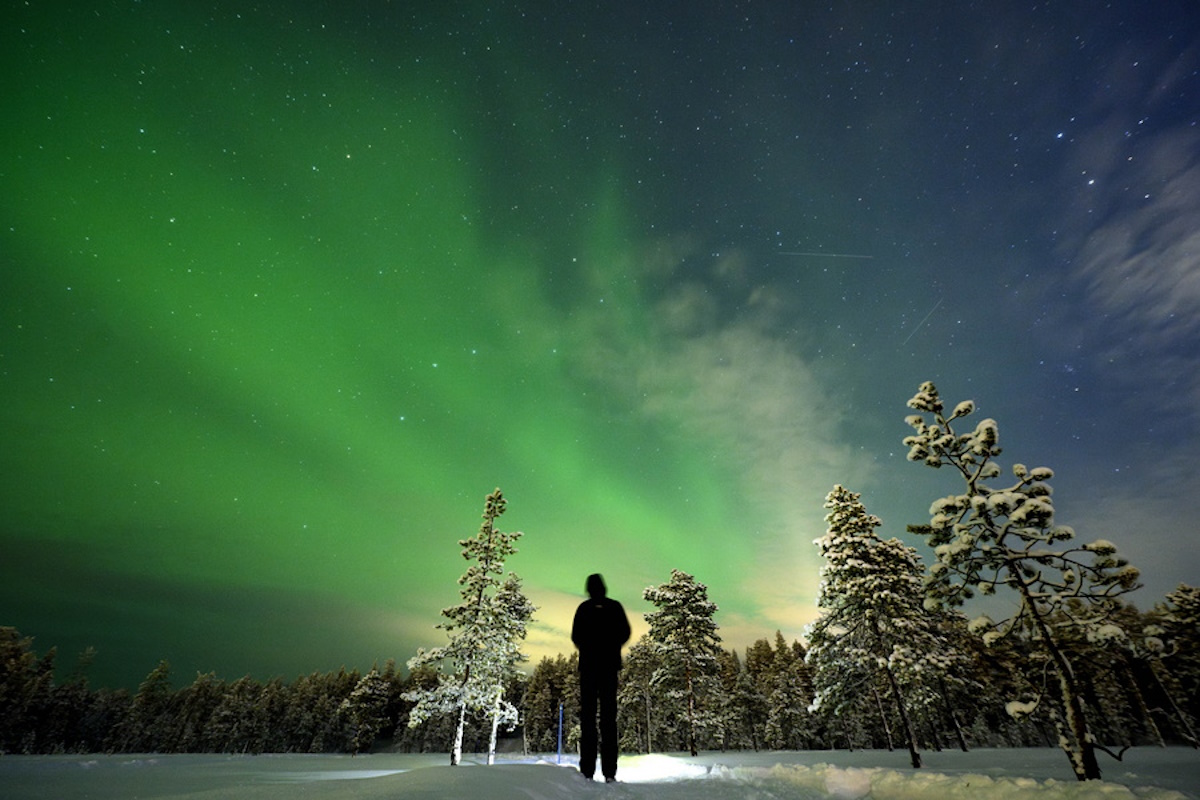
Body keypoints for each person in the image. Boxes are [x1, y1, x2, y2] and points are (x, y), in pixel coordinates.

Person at [571, 573, 631, 782]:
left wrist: (589, 648)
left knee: (588, 720)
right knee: (608, 721)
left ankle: (587, 771)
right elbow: (625, 632)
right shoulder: (614, 607)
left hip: (589, 669)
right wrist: (611, 647)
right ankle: (609, 773)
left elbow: (576, 637)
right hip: (608, 669)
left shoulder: (584, 609)